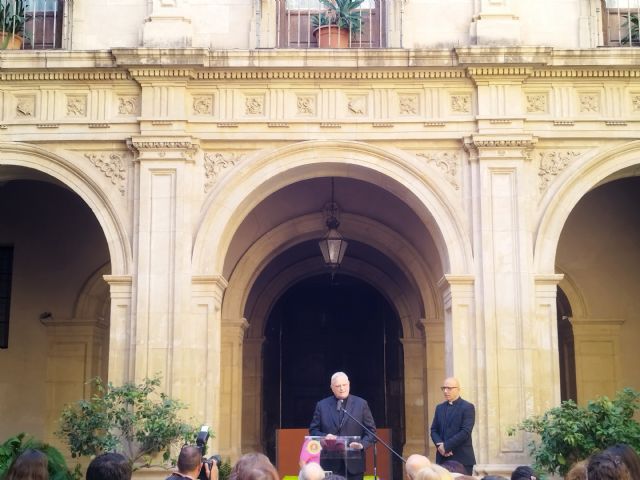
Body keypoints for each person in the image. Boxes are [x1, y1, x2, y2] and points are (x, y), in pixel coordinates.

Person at [309, 372, 376, 480]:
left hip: (354, 464)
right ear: (332, 387)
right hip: (330, 463)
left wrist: (362, 445)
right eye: (338, 386)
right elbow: (313, 430)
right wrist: (325, 437)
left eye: (344, 385)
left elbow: (371, 431)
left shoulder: (361, 404)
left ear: (349, 384)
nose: (342, 388)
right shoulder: (322, 405)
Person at [430, 377, 476, 475]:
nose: (445, 391)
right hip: (442, 458)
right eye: (444, 388)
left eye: (449, 388)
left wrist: (446, 446)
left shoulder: (467, 407)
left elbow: (465, 432)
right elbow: (434, 430)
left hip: (462, 458)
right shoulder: (439, 408)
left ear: (458, 389)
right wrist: (440, 446)